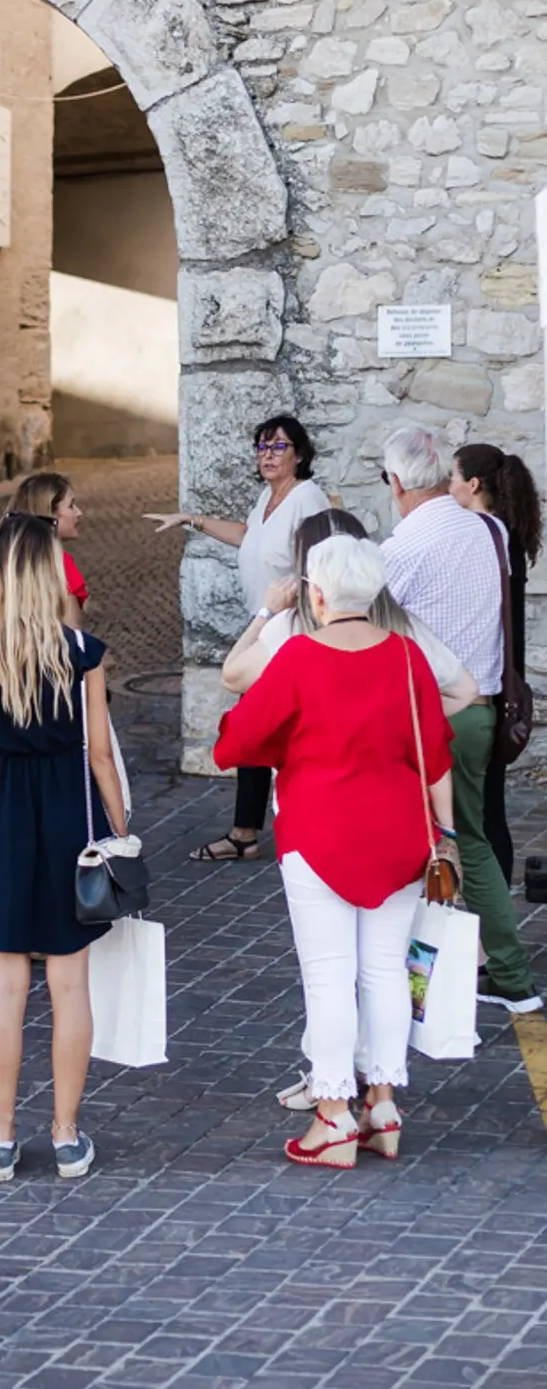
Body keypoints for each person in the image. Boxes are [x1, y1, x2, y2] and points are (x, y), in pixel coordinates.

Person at [214, 534, 459, 1168]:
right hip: (402, 836)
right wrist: (449, 836)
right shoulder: (405, 657)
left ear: (317, 595)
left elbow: (236, 741)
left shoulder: (298, 657)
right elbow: (435, 755)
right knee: (384, 973)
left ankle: (333, 1117)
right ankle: (382, 1105)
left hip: (318, 834)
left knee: (328, 978)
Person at [0, 512, 129, 1184]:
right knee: (69, 983)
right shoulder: (82, 652)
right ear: (51, 575)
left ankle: (0, 1136)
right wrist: (121, 829)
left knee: (4, 985)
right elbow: (100, 757)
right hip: (65, 817)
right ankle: (68, 1134)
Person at [380, 426, 541, 1014]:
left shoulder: (400, 551)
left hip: (423, 721)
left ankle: (472, 975)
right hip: (479, 713)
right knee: (466, 842)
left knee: (425, 850)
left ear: (395, 482)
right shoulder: (490, 530)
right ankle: (492, 972)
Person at [146, 414, 331, 862]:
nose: (268, 455)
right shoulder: (268, 499)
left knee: (265, 729)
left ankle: (261, 831)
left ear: (300, 455)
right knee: (261, 730)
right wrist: (192, 519)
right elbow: (250, 537)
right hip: (265, 632)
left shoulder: (308, 499)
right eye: (262, 447)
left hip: (293, 636)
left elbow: (323, 560)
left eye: (278, 447)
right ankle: (250, 831)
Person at [223, 509, 478, 719]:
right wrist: (402, 725)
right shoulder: (404, 626)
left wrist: (266, 612)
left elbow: (233, 677)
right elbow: (465, 691)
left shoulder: (290, 628)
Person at [449, 443, 543, 885]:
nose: (447, 487)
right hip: (502, 683)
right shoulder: (500, 535)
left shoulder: (482, 536)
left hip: (488, 685)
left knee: (483, 816)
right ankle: (495, 913)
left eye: (452, 478)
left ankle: (491, 918)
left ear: (472, 484)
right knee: (490, 810)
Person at [7, 472, 89, 626]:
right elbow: (73, 638)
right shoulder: (59, 564)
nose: (79, 512)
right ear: (50, 515)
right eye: (71, 505)